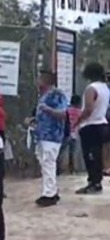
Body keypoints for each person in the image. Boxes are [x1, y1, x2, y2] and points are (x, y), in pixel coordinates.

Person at [33, 70, 68, 207]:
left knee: (48, 162)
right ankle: (51, 189)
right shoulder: (43, 95)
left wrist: (47, 109)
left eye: (39, 79)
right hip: (42, 134)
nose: (37, 81)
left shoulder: (56, 95)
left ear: (45, 81)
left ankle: (49, 194)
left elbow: (62, 114)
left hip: (52, 135)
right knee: (45, 162)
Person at [76, 63, 110, 195]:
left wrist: (79, 120)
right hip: (102, 123)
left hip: (91, 125)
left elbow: (89, 108)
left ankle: (93, 182)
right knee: (97, 155)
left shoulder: (91, 88)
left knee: (89, 155)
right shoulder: (105, 88)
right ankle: (97, 182)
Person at [62, 95, 83, 174]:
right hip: (75, 134)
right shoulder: (80, 112)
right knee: (73, 152)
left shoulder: (66, 110)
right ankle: (73, 169)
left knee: (63, 151)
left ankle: (61, 169)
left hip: (66, 133)